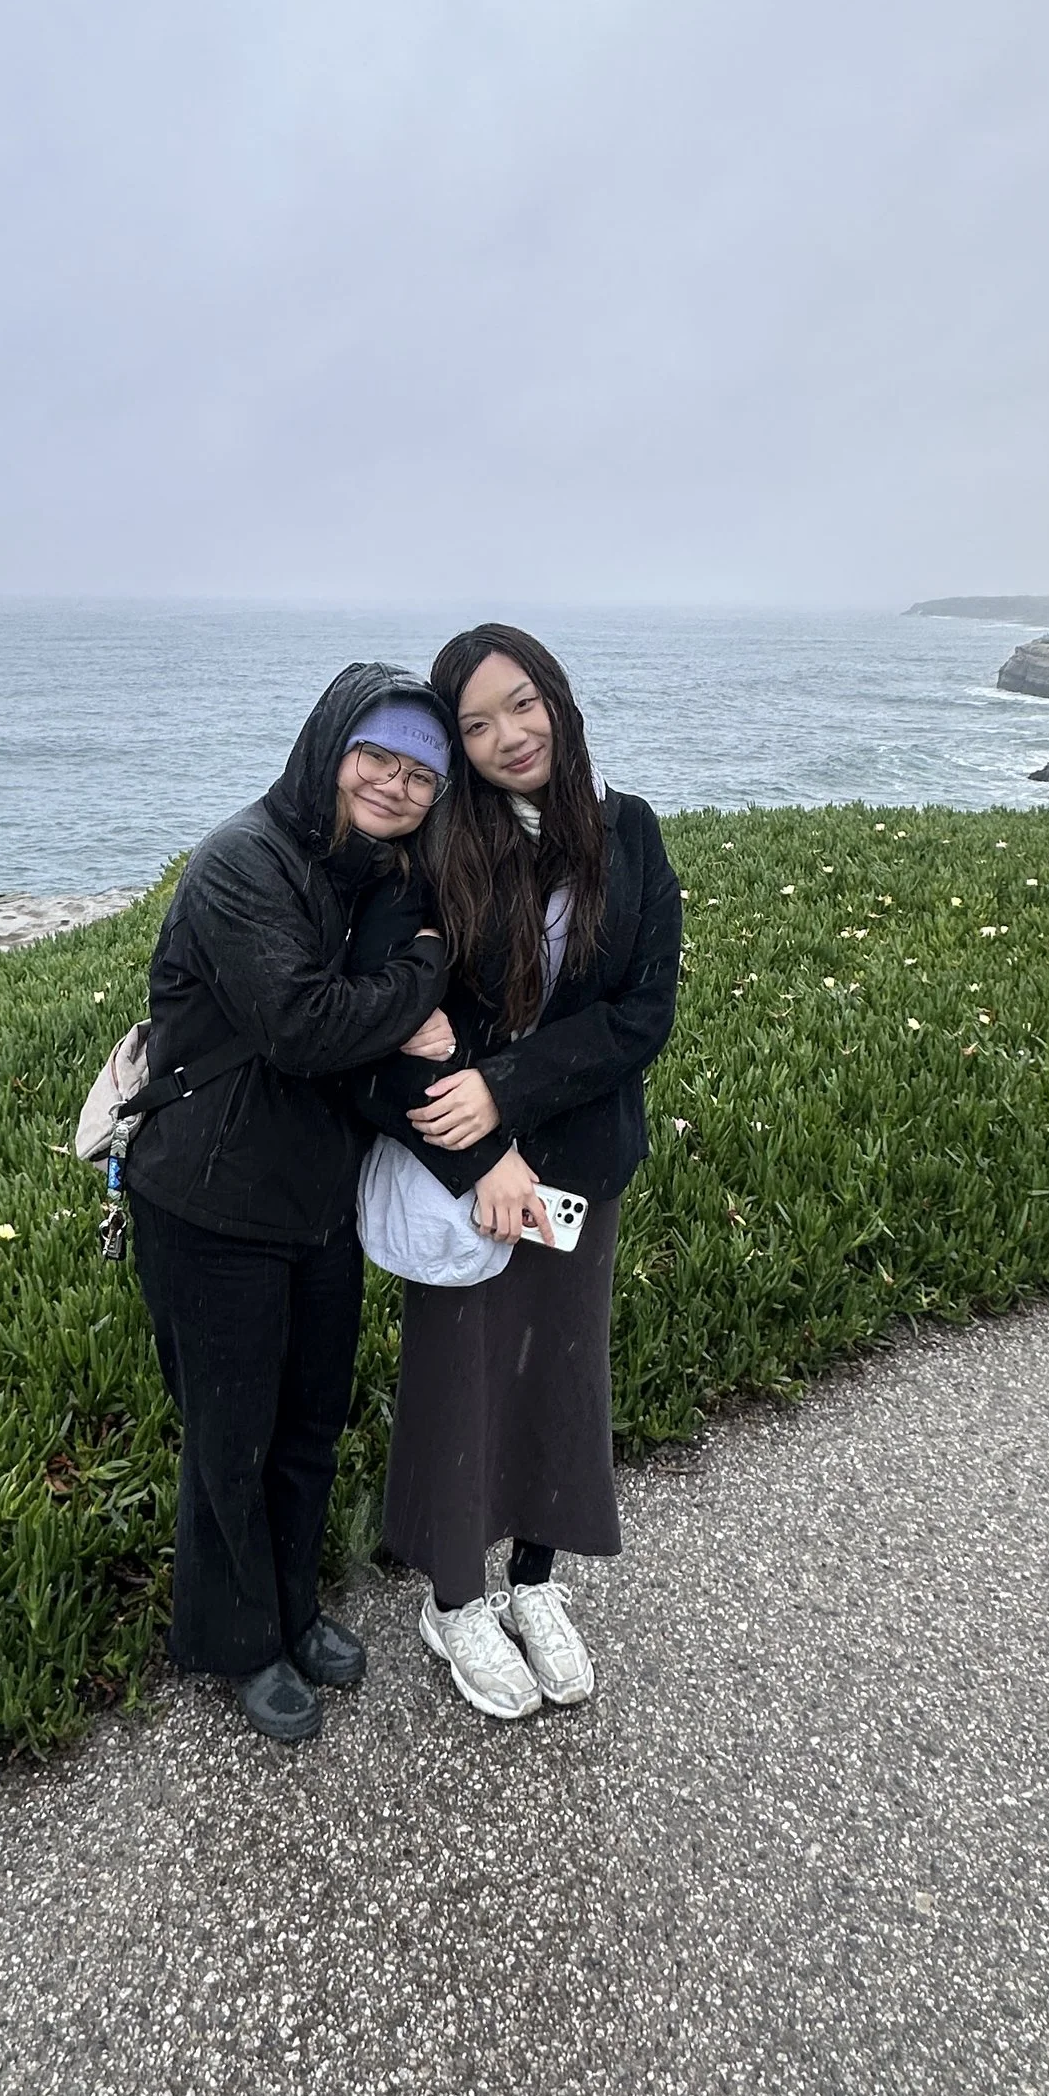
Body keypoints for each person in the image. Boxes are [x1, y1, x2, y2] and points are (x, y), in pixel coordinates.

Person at [350, 625, 682, 1719]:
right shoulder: (434, 856)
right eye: (477, 724)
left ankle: (535, 1582)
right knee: (461, 1383)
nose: (508, 736)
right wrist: (488, 1146)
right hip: (464, 1172)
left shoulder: (627, 834)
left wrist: (514, 1091)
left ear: (558, 701)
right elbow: (403, 1031)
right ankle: (452, 1600)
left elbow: (642, 1014)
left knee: (560, 1377)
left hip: (581, 1165)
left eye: (522, 704)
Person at [123, 663, 458, 1745]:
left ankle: (295, 1611)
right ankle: (237, 1642)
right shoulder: (239, 863)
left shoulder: (375, 875)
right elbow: (301, 1027)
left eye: (421, 772)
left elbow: (353, 1016)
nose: (395, 785)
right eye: (377, 757)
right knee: (231, 1435)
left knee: (308, 1424)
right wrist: (423, 975)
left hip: (317, 1206)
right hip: (210, 1206)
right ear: (329, 748)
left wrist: (415, 956)